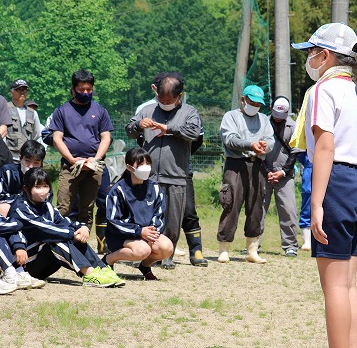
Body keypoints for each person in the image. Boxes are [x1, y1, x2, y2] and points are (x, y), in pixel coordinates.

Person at [292, 22, 357, 348]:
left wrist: (317, 202)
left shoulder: (323, 89)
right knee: (349, 284)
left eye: (310, 51)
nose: (308, 58)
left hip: (337, 182)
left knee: (334, 288)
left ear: (324, 55)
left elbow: (324, 147)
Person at [125, 74, 201, 269]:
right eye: (161, 99)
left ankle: (167, 256)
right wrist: (138, 125)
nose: (164, 103)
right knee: (146, 217)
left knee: (173, 219)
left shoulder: (189, 112)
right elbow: (129, 130)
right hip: (147, 176)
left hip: (176, 175)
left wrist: (168, 128)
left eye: (169, 100)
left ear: (179, 96)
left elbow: (193, 132)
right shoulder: (147, 110)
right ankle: (144, 255)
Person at [8, 167, 124, 287]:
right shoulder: (20, 209)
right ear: (26, 188)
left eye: (45, 186)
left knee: (71, 236)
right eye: (37, 187)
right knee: (56, 239)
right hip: (23, 266)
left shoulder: (46, 206)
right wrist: (72, 233)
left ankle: (102, 269)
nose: (42, 191)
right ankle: (89, 274)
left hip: (41, 262)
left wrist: (82, 227)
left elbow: (63, 221)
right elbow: (45, 229)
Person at [216, 85, 274, 264]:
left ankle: (252, 250)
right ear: (243, 100)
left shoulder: (264, 119)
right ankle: (224, 249)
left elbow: (271, 140)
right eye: (252, 102)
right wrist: (250, 145)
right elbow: (230, 138)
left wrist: (264, 146)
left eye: (258, 104)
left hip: (257, 165)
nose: (255, 106)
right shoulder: (231, 116)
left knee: (256, 206)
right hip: (235, 165)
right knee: (230, 204)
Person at [50, 69, 111, 228]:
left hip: (94, 166)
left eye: (89, 90)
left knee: (87, 209)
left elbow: (106, 137)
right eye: (81, 90)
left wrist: (96, 159)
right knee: (63, 207)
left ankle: (83, 247)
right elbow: (57, 138)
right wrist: (71, 159)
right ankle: (58, 242)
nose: (85, 93)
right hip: (70, 166)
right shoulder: (62, 111)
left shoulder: (100, 111)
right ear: (73, 90)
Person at [102, 148, 173, 280]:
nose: (146, 168)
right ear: (129, 167)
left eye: (148, 163)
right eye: (140, 164)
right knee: (143, 250)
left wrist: (152, 232)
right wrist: (139, 232)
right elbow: (113, 220)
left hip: (146, 235)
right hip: (120, 237)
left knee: (167, 247)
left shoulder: (155, 188)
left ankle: (145, 266)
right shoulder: (117, 190)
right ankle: (108, 259)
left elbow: (160, 215)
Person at [262, 96, 300, 257]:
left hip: (285, 175)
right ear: (271, 108)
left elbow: (295, 151)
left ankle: (290, 245)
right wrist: (267, 171)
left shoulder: (293, 125)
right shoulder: (262, 122)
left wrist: (283, 171)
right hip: (264, 173)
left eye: (282, 116)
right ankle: (253, 242)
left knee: (289, 210)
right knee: (258, 210)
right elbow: (258, 147)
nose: (278, 119)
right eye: (276, 114)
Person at [0, 140, 46, 217]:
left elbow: (47, 198)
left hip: (35, 210)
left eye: (36, 163)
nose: (31, 166)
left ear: (41, 163)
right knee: (3, 208)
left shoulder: (43, 177)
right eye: (27, 161)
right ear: (20, 158)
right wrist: (26, 199)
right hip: (12, 208)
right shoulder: (7, 171)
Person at [6, 79, 44, 161]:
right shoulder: (5, 109)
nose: (23, 92)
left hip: (27, 159)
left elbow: (37, 136)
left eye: (25, 90)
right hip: (9, 157)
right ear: (12, 91)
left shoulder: (33, 113)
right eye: (19, 90)